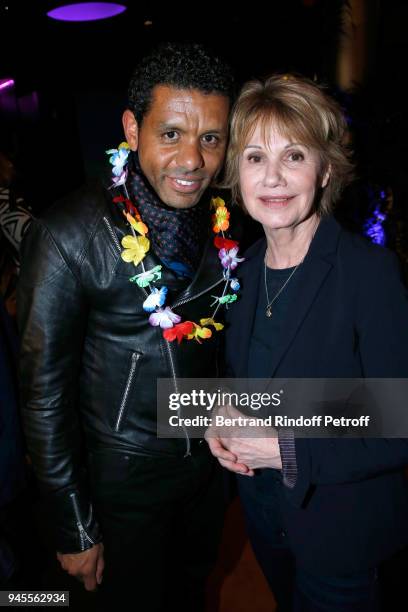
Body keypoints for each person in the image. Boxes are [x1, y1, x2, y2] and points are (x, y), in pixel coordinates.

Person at [17, 43, 237, 611]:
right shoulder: (68, 234)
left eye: (210, 138)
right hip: (121, 487)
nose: (193, 160)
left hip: (205, 478)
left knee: (192, 595)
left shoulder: (227, 223)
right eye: (171, 134)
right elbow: (43, 396)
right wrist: (73, 525)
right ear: (132, 129)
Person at [207, 74, 408, 611]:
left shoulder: (371, 274)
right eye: (254, 157)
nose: (272, 177)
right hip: (267, 524)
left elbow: (398, 421)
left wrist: (281, 448)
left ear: (324, 170)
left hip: (342, 537)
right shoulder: (239, 276)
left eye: (293, 156)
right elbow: (243, 385)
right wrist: (215, 416)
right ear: (237, 174)